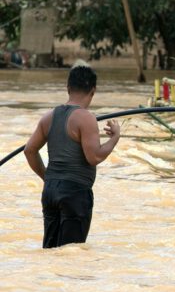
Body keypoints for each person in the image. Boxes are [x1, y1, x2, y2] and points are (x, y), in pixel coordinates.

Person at [23, 64, 121, 248]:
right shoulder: (86, 118)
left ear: (68, 88)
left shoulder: (48, 117)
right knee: (71, 255)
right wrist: (114, 138)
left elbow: (29, 151)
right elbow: (95, 157)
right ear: (93, 91)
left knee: (51, 251)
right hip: (75, 193)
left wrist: (48, 178)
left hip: (50, 191)